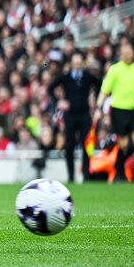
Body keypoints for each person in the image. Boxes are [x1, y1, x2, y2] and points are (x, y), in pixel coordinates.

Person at [47, 52, 99, 183]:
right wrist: (58, 101)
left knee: (87, 146)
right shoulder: (65, 77)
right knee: (69, 146)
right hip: (70, 115)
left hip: (84, 114)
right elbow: (50, 88)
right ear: (71, 64)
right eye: (75, 63)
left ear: (82, 63)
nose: (77, 65)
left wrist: (95, 100)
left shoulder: (87, 77)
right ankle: (70, 176)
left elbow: (100, 84)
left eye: (79, 62)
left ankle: (86, 176)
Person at [97, 42, 134, 183]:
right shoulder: (114, 69)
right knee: (123, 144)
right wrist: (99, 108)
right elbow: (105, 90)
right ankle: (120, 174)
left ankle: (118, 166)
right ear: (121, 55)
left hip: (132, 109)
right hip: (118, 109)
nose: (129, 55)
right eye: (126, 53)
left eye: (131, 53)